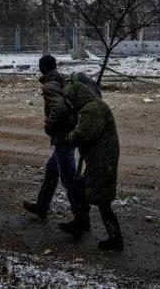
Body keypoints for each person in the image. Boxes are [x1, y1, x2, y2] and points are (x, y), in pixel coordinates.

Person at [23, 55, 90, 230]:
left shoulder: (50, 85)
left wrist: (49, 126)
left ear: (41, 68)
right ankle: (42, 207)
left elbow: (58, 107)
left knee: (69, 179)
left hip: (63, 138)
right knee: (52, 171)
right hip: (69, 134)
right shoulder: (61, 80)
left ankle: (81, 219)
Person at [59, 74, 123, 251]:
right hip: (101, 158)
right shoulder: (93, 105)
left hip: (101, 160)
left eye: (70, 100)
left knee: (102, 200)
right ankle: (80, 224)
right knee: (83, 190)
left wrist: (70, 135)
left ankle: (115, 239)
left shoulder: (91, 110)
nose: (70, 104)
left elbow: (82, 135)